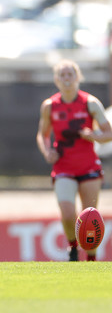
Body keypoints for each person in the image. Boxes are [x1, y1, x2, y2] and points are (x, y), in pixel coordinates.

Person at [36, 59, 112, 261]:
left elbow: (108, 133)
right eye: (63, 75)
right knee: (69, 214)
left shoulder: (90, 103)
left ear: (78, 78)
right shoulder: (50, 106)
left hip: (88, 166)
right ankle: (72, 249)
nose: (67, 78)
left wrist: (92, 134)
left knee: (90, 217)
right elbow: (42, 135)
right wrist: (47, 152)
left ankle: (92, 256)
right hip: (63, 167)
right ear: (56, 79)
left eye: (70, 74)